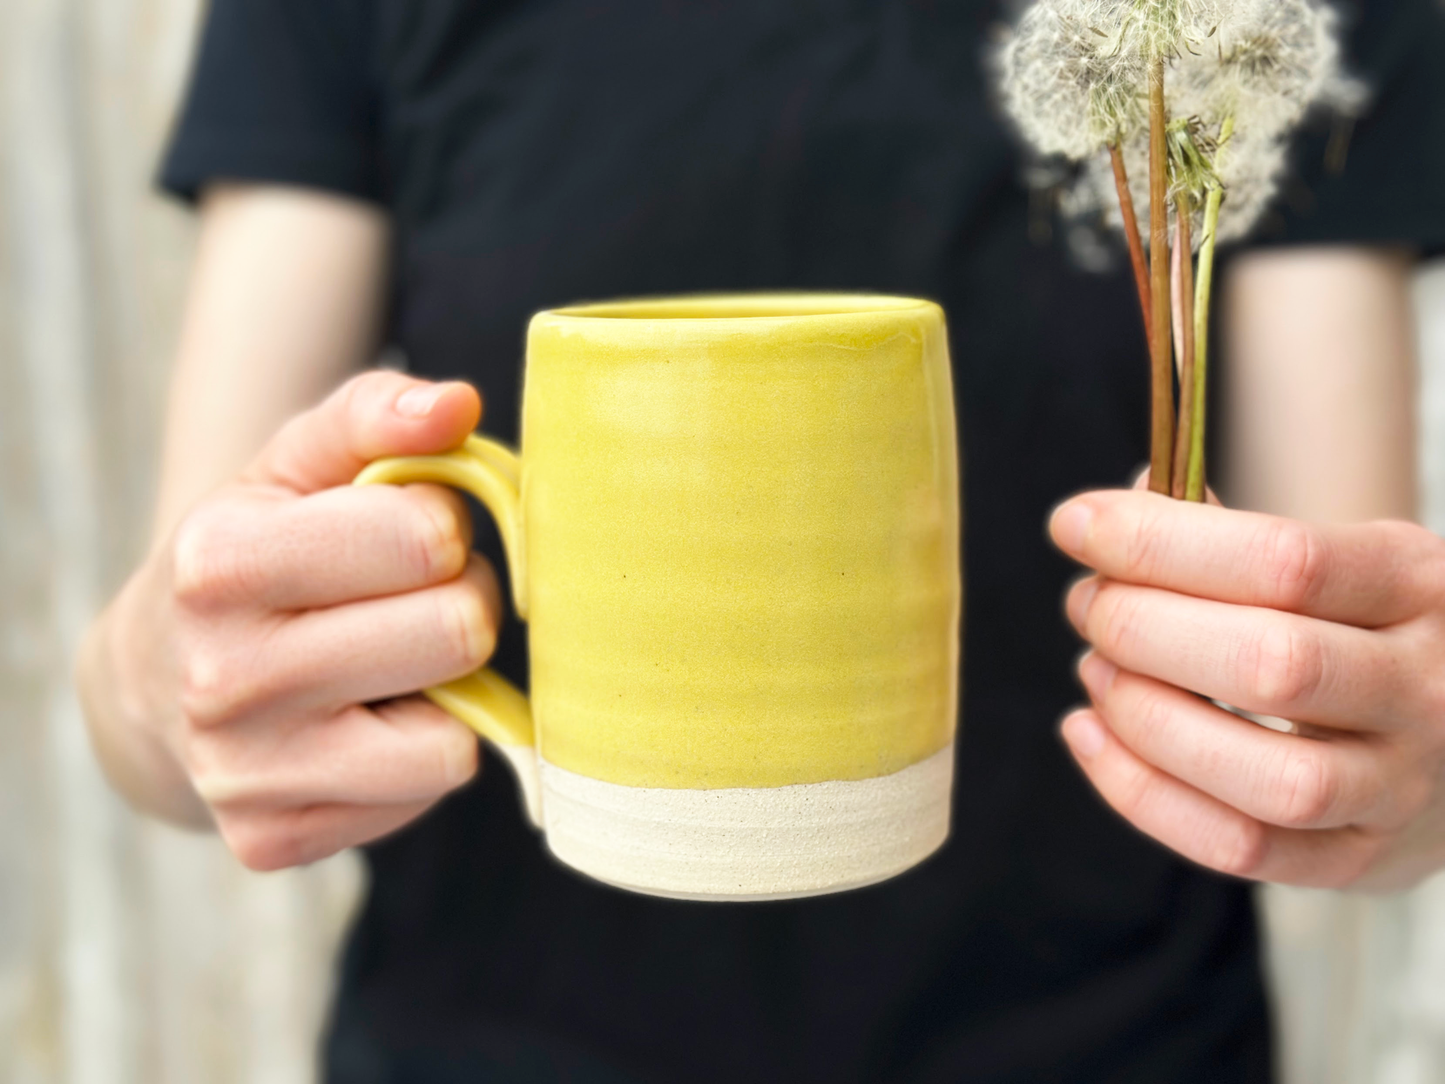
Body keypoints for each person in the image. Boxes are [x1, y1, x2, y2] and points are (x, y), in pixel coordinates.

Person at [76, 1, 1445, 1081]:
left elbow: (1340, 693)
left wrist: (1391, 762)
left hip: (1116, 1046)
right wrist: (164, 679)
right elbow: (181, 688)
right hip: (488, 1050)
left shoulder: (1254, 27)